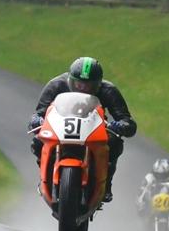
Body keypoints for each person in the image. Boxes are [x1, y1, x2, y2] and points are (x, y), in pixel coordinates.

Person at [27, 56, 137, 203]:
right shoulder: (56, 85)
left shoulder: (108, 90)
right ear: (70, 80)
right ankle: (44, 177)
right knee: (37, 142)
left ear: (98, 84)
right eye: (78, 84)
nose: (83, 88)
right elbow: (38, 113)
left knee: (115, 143)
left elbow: (126, 120)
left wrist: (120, 125)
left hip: (92, 130)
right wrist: (37, 121)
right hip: (61, 129)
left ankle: (106, 184)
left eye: (89, 85)